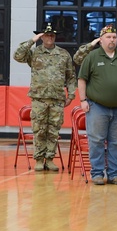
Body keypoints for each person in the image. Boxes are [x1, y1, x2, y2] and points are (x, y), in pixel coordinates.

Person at [12, 23, 76, 171]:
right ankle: (39, 159)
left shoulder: (63, 54)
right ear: (42, 36)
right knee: (39, 129)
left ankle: (50, 159)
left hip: (57, 99)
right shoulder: (34, 53)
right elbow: (17, 55)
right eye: (47, 35)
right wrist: (32, 41)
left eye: (52, 35)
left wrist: (71, 95)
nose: (50, 37)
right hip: (39, 98)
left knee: (53, 131)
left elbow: (71, 76)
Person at [77, 24, 117, 185]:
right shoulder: (92, 57)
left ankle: (114, 174)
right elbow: (82, 79)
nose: (112, 40)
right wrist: (83, 100)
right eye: (109, 37)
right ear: (101, 39)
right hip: (97, 106)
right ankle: (97, 173)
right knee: (96, 140)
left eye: (114, 37)